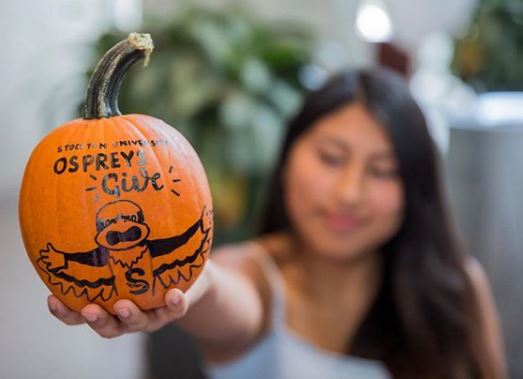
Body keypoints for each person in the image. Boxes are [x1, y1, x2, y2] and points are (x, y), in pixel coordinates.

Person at [47, 68, 506, 378]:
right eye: (331, 158)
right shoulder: (255, 276)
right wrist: (188, 284)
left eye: (383, 170)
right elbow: (220, 290)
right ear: (288, 160)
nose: (349, 192)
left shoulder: (457, 286)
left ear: (417, 188)